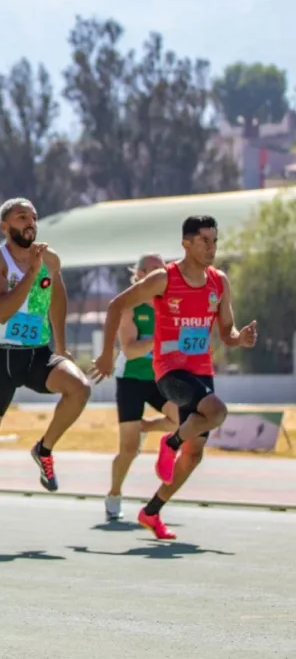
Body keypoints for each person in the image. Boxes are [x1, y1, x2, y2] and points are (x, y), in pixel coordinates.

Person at [90, 215, 257, 540]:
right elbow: (115, 305)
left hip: (201, 373)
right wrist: (108, 355)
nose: (211, 248)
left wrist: (241, 338)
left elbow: (226, 331)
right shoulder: (164, 279)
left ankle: (151, 512)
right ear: (186, 243)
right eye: (204, 241)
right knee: (217, 412)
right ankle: (171, 441)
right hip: (169, 372)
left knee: (194, 455)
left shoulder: (219, 282)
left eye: (215, 241)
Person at [0, 198, 92, 545]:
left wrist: (62, 344)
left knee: (80, 388)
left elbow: (57, 295)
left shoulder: (49, 259)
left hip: (37, 356)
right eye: (21, 217)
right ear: (4, 226)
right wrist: (31, 273)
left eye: (34, 217)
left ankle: (44, 448)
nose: (30, 223)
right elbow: (0, 313)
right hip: (1, 361)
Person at [104, 253, 179, 522]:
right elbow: (130, 350)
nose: (160, 273)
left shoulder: (172, 305)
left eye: (163, 268)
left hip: (160, 378)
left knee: (183, 420)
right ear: (139, 276)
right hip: (132, 379)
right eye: (153, 269)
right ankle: (114, 494)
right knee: (128, 449)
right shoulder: (131, 306)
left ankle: (145, 427)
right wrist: (158, 341)